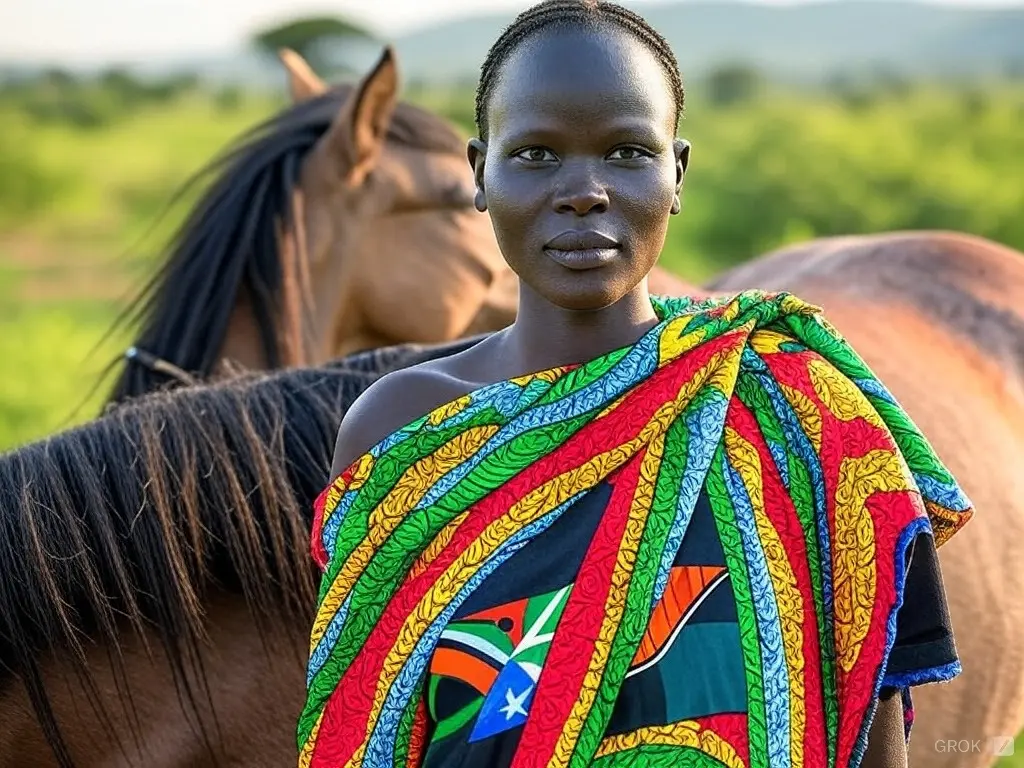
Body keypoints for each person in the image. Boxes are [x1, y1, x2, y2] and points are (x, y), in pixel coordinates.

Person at [295, 2, 972, 766]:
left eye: (626, 152)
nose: (584, 190)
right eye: (537, 155)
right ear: (479, 173)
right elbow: (368, 725)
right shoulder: (403, 429)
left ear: (676, 172)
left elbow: (869, 729)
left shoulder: (800, 412)